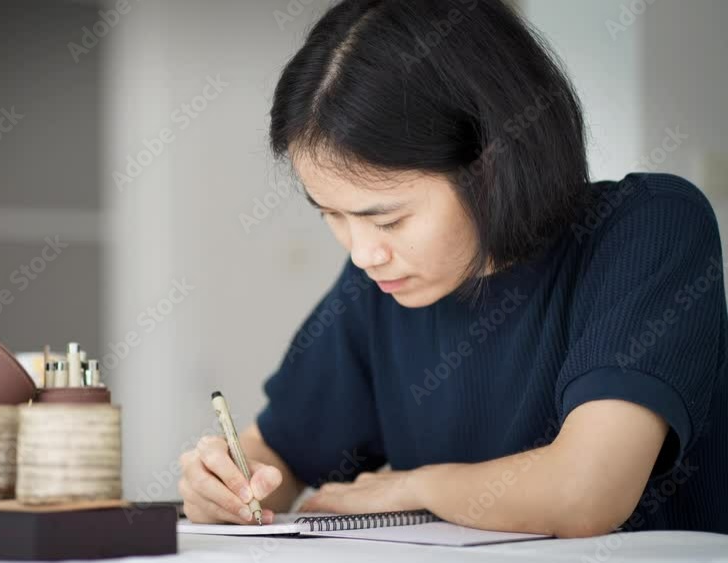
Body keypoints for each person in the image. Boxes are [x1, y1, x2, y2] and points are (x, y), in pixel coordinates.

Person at [177, 0, 727, 538]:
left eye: (388, 220)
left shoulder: (648, 227)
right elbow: (278, 454)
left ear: (491, 165)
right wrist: (227, 484)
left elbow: (585, 492)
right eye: (332, 216)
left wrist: (414, 487)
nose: (363, 253)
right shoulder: (379, 287)